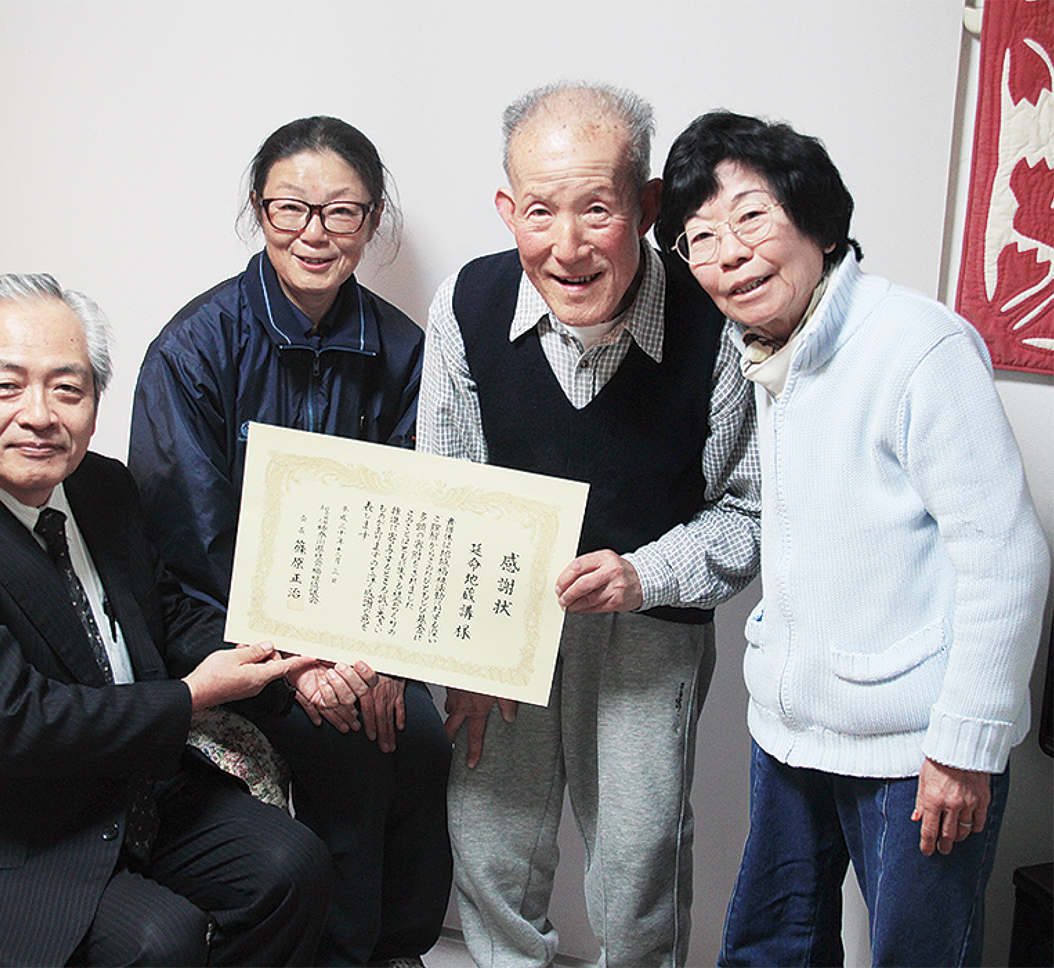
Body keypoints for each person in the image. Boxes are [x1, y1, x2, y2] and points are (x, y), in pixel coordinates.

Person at [0, 273, 344, 967]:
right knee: (159, 940)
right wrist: (192, 696)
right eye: (7, 386)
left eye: (67, 388)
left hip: (123, 789)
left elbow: (167, 616)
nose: (39, 414)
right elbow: (19, 723)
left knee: (291, 867)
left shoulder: (102, 486)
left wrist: (284, 662)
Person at [656, 110, 1050, 968]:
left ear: (819, 224)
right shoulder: (765, 350)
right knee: (768, 947)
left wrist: (965, 745)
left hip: (918, 747)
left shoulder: (917, 345)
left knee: (917, 955)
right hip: (794, 733)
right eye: (701, 238)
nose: (730, 254)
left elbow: (1007, 556)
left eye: (752, 217)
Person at [417, 83, 760, 967]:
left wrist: (644, 574)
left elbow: (747, 512)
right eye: (539, 211)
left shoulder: (713, 318)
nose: (566, 247)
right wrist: (465, 657)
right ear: (508, 210)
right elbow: (447, 490)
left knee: (641, 864)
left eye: (597, 209)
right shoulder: (466, 304)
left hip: (649, 627)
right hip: (505, 617)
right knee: (490, 845)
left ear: (647, 206)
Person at [129, 115, 451, 967]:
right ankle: (338, 953)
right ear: (258, 209)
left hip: (361, 628)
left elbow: (417, 525)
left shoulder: (404, 351)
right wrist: (299, 662)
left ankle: (397, 949)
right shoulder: (193, 349)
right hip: (220, 620)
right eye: (290, 209)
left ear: (371, 221)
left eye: (341, 212)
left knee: (418, 737)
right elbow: (189, 547)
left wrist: (380, 657)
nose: (315, 233)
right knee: (349, 743)